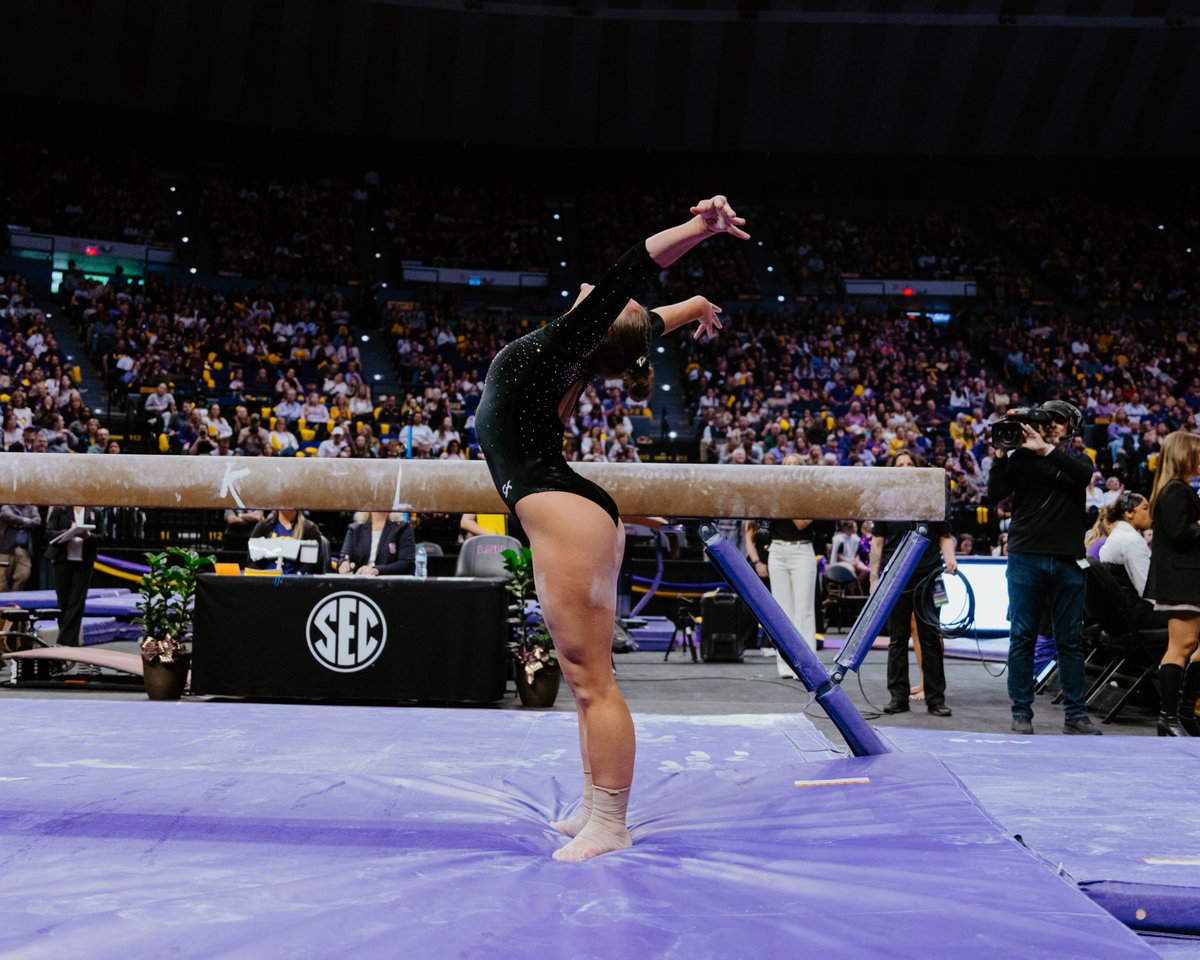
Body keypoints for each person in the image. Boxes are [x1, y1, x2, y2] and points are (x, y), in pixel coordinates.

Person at [475, 195, 748, 860]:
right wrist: (700, 305)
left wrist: (701, 229)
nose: (598, 290)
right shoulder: (575, 351)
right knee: (579, 677)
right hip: (561, 504)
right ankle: (594, 808)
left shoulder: (565, 346)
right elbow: (646, 319)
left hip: (562, 510)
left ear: (596, 328)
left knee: (592, 678)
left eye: (609, 303)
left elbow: (632, 277)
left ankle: (610, 821)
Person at [986, 400, 1100, 735]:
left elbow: (1081, 477)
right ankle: (1021, 713)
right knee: (1022, 636)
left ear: (1072, 428)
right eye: (1047, 419)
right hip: (1026, 554)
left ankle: (1076, 715)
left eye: (1059, 421)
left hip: (1067, 558)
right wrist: (1000, 454)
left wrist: (1045, 449)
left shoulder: (1079, 459)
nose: (1051, 425)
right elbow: (995, 493)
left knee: (1070, 640)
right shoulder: (1019, 459)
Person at [871, 450, 956, 718]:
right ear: (892, 470)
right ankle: (898, 697)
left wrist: (951, 559)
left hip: (931, 578)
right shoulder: (885, 501)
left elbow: (944, 536)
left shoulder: (931, 500)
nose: (905, 468)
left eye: (909, 464)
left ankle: (935, 699)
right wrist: (875, 577)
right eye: (900, 465)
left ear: (918, 468)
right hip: (896, 577)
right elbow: (877, 542)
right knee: (898, 639)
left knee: (931, 637)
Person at [1144, 431, 1200, 736]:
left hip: (1188, 577)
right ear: (1185, 455)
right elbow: (1181, 534)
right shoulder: (1176, 490)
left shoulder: (1176, 489)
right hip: (1181, 579)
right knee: (1181, 646)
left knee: (1193, 645)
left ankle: (1185, 712)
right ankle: (1169, 717)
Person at [745, 454, 816, 679]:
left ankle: (808, 665)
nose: (792, 469)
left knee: (803, 610)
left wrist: (784, 497)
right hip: (777, 551)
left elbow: (801, 522)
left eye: (796, 465)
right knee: (782, 612)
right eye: (787, 465)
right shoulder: (772, 493)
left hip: (801, 550)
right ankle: (786, 664)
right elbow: (752, 527)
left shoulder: (809, 495)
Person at [45, 506, 102, 646]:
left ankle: (66, 643)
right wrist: (68, 532)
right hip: (62, 561)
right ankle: (67, 641)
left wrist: (89, 536)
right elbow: (49, 533)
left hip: (84, 562)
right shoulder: (60, 510)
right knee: (63, 602)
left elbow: (102, 537)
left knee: (76, 603)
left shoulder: (95, 511)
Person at [247, 510, 327, 575]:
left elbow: (311, 565)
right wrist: (265, 576)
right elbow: (252, 562)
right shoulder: (263, 527)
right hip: (266, 582)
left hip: (296, 584)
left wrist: (295, 577)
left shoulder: (309, 529)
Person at [337, 511, 416, 575]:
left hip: (390, 585)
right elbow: (344, 557)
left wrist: (376, 570)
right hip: (360, 585)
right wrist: (344, 565)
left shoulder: (403, 527)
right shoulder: (355, 529)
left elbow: (406, 563)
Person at [0, 504, 41, 592]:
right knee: (2, 577)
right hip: (5, 549)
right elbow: (9, 516)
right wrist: (25, 520)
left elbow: (37, 521)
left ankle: (14, 599)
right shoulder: (6, 506)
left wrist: (19, 523)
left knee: (23, 575)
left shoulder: (32, 507)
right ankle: (2, 602)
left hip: (23, 549)